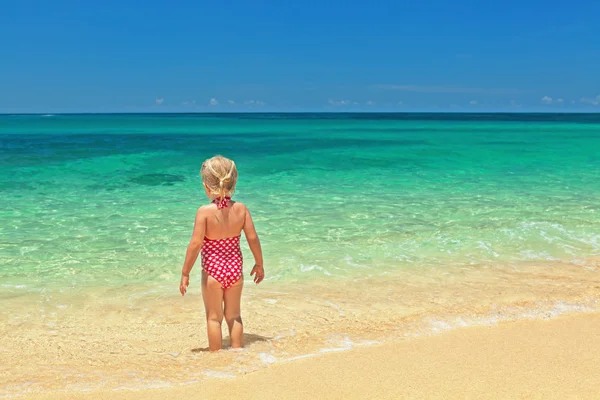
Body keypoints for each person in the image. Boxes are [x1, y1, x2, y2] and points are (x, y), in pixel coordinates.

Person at [179, 155, 264, 352]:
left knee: (214, 318)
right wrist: (259, 263)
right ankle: (237, 353)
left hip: (213, 273)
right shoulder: (241, 209)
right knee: (234, 316)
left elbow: (195, 244)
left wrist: (185, 272)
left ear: (206, 187)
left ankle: (216, 358)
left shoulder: (205, 212)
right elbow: (252, 238)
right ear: (233, 182)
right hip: (235, 270)